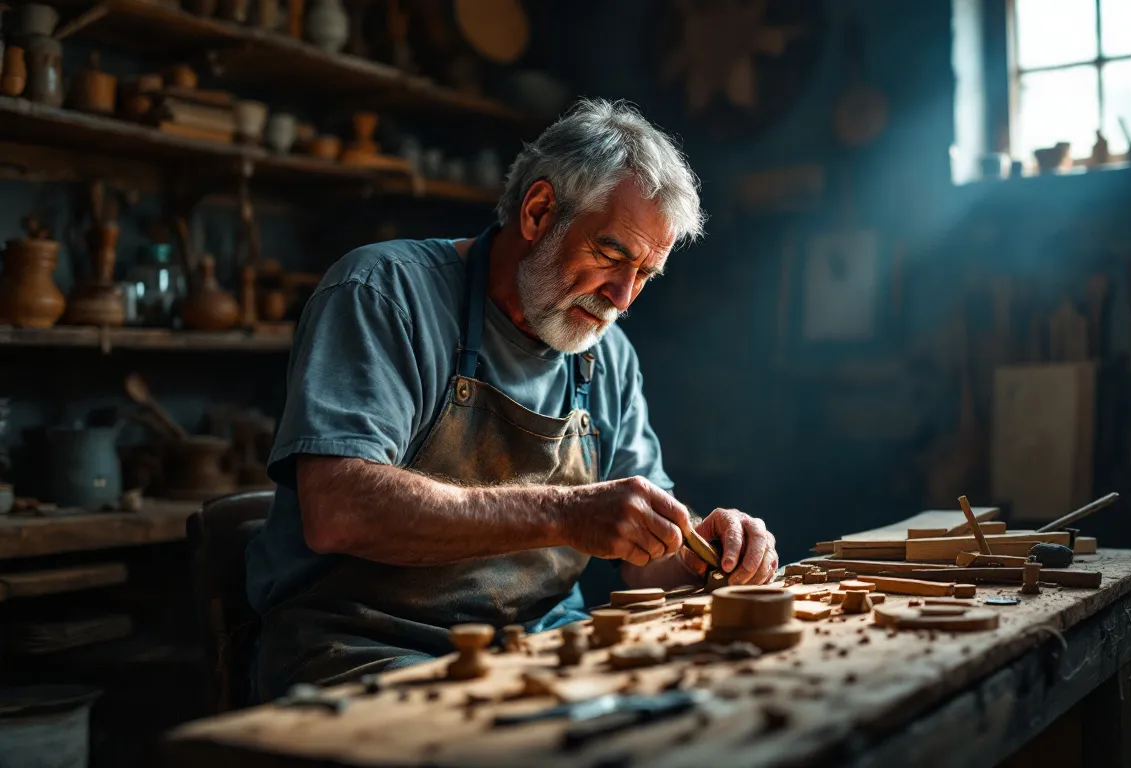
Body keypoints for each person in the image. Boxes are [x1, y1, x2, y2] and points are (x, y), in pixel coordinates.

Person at [244, 98, 779, 700]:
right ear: (538, 211)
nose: (623, 298)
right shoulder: (384, 293)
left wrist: (710, 551)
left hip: (542, 643)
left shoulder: (609, 354)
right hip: (368, 648)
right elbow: (338, 508)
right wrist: (566, 514)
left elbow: (643, 560)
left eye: (645, 275)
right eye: (611, 255)